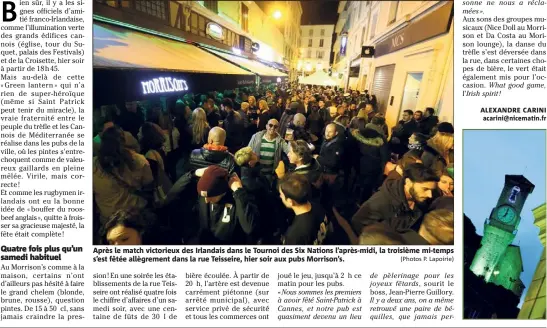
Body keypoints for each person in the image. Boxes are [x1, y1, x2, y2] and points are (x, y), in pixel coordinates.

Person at [351, 163, 439, 235]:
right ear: (408, 182)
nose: (430, 195)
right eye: (425, 189)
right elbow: (358, 223)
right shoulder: (381, 201)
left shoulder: (420, 199)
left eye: (431, 190)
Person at [93, 127, 154, 220]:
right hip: (135, 214)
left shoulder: (93, 165)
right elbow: (149, 186)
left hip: (109, 219)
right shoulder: (138, 160)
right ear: (124, 141)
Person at [196, 165, 258, 244]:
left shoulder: (239, 197)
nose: (206, 201)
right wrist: (192, 174)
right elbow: (175, 194)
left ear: (222, 191)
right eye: (204, 196)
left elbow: (250, 228)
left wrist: (239, 192)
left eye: (211, 197)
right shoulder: (206, 193)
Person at [278, 173, 329, 245]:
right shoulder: (318, 206)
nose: (280, 196)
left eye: (281, 195)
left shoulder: (294, 235)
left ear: (290, 202)